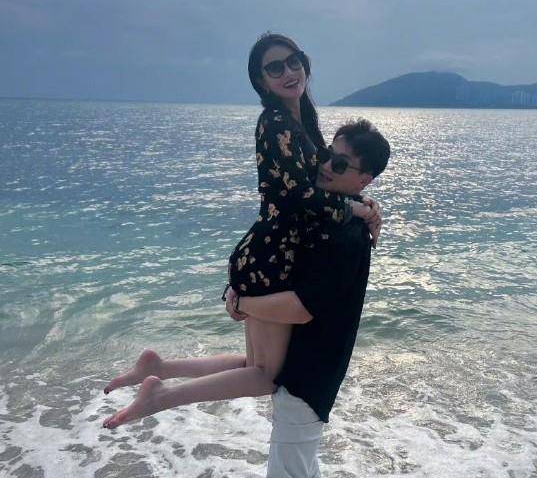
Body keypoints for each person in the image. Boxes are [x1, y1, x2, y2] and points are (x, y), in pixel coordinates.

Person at [102, 119, 391, 478]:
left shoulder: (344, 236)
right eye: (326, 154)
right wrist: (362, 208)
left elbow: (302, 308)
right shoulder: (332, 213)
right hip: (305, 368)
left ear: (364, 179)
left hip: (307, 377)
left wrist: (242, 302)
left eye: (340, 164)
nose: (325, 165)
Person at [102, 33, 381, 412]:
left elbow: (325, 181)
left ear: (305, 63)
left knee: (255, 365)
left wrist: (363, 202)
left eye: (294, 61)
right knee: (265, 376)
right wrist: (357, 210)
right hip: (272, 258)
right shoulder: (277, 124)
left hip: (267, 253)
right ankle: (160, 396)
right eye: (274, 68)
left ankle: (160, 368)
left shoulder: (300, 120)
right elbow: (300, 198)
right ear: (261, 81)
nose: (288, 72)